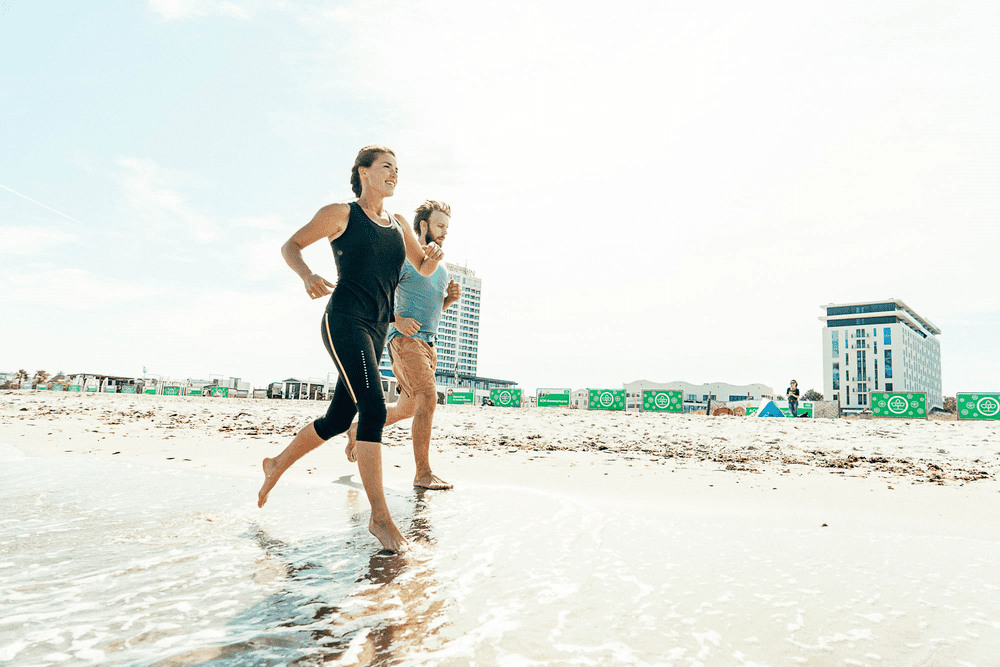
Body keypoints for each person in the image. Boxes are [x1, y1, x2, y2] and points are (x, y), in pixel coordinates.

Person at [257, 145, 444, 554]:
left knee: (338, 416)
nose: (394, 174)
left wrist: (431, 257)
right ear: (362, 172)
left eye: (398, 169)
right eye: (385, 167)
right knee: (374, 408)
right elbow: (291, 245)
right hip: (344, 320)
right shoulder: (341, 214)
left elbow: (423, 268)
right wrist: (306, 274)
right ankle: (380, 518)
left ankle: (275, 465)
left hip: (376, 330)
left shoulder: (399, 225)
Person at [344, 200, 460, 490]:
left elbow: (429, 309)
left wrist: (449, 301)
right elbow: (375, 297)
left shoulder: (439, 266)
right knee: (429, 399)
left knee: (407, 409)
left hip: (429, 345)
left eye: (447, 226)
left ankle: (358, 428)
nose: (445, 231)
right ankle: (423, 473)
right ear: (423, 226)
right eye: (440, 225)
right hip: (406, 343)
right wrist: (397, 321)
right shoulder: (403, 258)